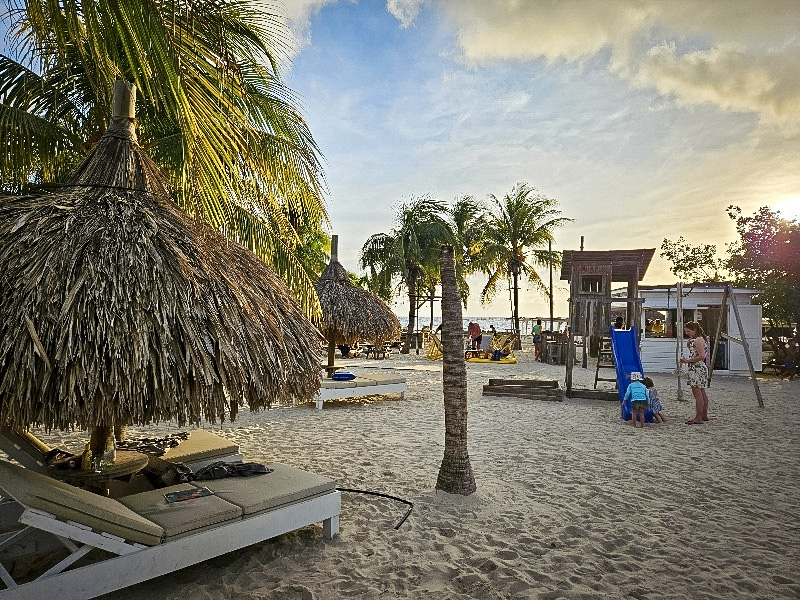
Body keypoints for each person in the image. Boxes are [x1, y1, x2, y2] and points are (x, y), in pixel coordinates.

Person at [680, 321, 710, 424]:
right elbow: (697, 353)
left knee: (697, 394)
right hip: (700, 367)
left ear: (694, 330)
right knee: (702, 392)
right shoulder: (700, 339)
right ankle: (704, 415)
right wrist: (689, 344)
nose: (687, 333)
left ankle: (698, 417)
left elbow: (701, 356)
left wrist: (686, 361)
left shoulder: (697, 340)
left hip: (697, 368)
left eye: (688, 331)